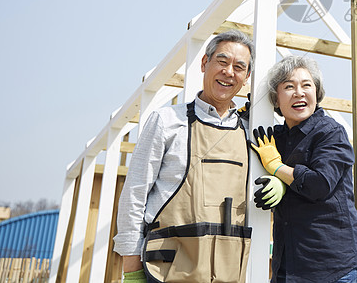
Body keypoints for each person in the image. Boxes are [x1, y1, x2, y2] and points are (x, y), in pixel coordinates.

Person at [113, 29, 285, 283]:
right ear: (205, 63)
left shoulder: (251, 131)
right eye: (222, 62)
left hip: (228, 271)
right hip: (165, 269)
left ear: (247, 77)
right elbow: (135, 193)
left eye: (239, 67)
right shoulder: (167, 121)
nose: (229, 72)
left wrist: (279, 179)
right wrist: (131, 268)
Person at [250, 55, 357, 283]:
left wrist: (277, 168)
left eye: (306, 85)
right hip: (289, 269)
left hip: (334, 268)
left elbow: (319, 184)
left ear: (317, 92)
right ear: (275, 99)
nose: (299, 92)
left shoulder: (330, 132)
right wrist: (248, 117)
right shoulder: (276, 139)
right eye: (289, 87)